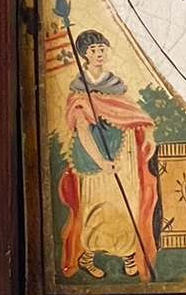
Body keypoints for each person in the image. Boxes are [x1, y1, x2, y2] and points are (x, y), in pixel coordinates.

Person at [58, 30, 159, 281]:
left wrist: (146, 137)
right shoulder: (79, 90)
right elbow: (82, 128)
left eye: (102, 48)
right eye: (93, 49)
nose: (99, 53)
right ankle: (88, 257)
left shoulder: (115, 86)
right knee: (98, 207)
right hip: (94, 158)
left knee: (127, 204)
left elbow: (129, 116)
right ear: (84, 55)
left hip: (123, 154)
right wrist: (101, 161)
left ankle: (127, 253)